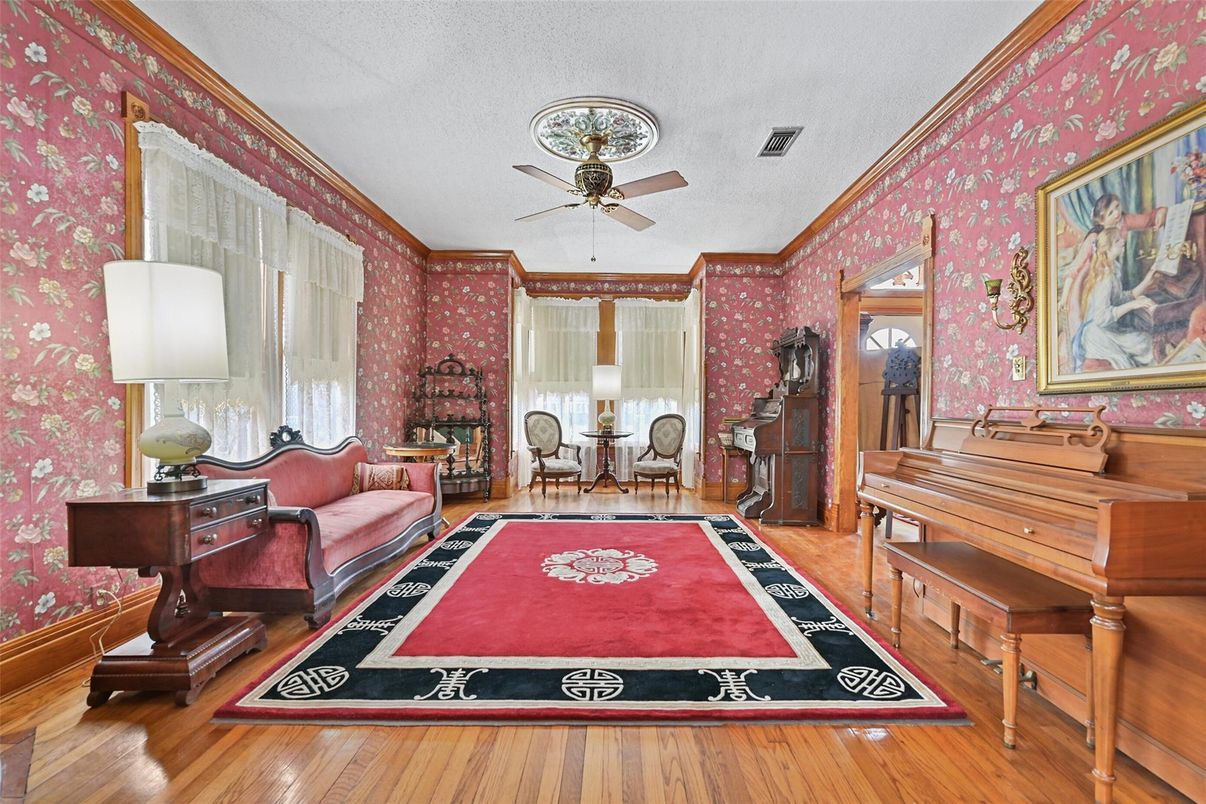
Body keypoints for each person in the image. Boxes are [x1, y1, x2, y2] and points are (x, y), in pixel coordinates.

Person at [1071, 226, 1161, 371]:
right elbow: (1101, 318)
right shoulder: (1105, 278)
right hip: (1097, 334)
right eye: (1117, 240)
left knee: (1144, 342)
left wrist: (1146, 282)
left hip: (1106, 328)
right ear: (1107, 249)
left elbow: (1120, 298)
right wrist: (1134, 305)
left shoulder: (1113, 268)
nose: (1123, 241)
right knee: (1143, 344)